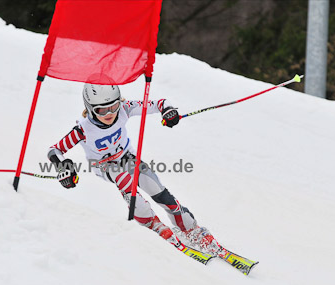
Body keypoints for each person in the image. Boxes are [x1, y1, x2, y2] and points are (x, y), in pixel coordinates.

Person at [47, 83, 224, 256]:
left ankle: (191, 229)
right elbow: (55, 150)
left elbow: (158, 103)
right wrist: (64, 167)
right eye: (102, 110)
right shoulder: (83, 129)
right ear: (90, 108)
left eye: (113, 106)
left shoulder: (124, 109)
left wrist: (168, 111)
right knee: (123, 178)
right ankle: (153, 224)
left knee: (159, 191)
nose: (110, 114)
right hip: (105, 166)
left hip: (128, 158)